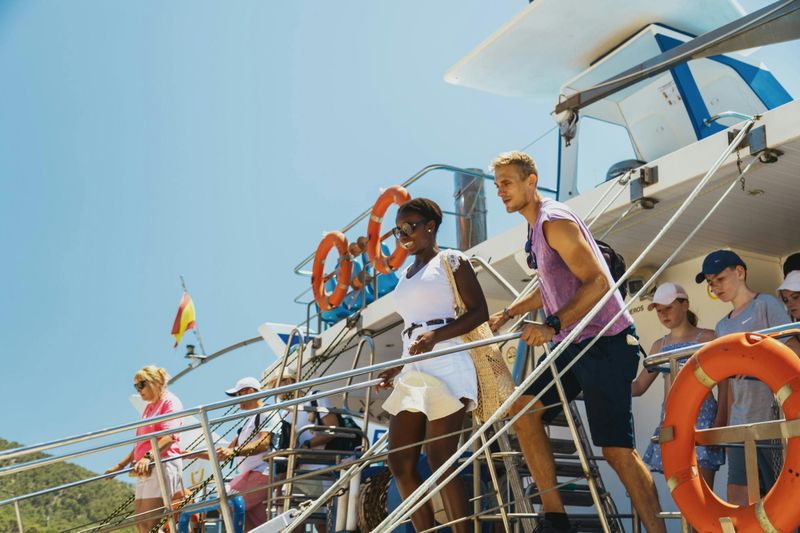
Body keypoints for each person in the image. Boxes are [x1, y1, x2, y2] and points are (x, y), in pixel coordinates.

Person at [487, 151, 665, 533]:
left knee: (616, 452)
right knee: (523, 410)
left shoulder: (554, 221)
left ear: (531, 181)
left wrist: (551, 325)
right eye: (497, 184)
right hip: (572, 344)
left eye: (508, 182)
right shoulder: (535, 229)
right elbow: (549, 285)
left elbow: (598, 282)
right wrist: (508, 313)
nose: (501, 191)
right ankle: (555, 519)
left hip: (606, 341)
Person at [376, 197, 488, 533]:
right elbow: (412, 326)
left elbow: (479, 312)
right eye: (397, 230)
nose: (403, 235)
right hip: (414, 366)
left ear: (430, 226)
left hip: (448, 360)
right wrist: (399, 367)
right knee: (399, 461)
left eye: (409, 227)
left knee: (439, 458)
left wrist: (435, 337)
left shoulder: (451, 261)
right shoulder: (405, 275)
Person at [697, 249, 800, 505]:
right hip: (739, 423)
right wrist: (722, 424)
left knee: (782, 500)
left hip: (772, 421)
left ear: (740, 272)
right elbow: (727, 384)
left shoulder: (766, 305)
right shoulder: (722, 326)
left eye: (720, 279)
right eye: (710, 283)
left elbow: (793, 352)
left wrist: (755, 363)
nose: (715, 287)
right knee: (738, 497)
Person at [630, 283, 724, 486]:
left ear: (685, 305)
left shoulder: (708, 337)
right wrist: (603, 387)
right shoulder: (659, 345)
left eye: (668, 307)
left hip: (702, 417)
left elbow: (725, 383)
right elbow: (639, 386)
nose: (663, 314)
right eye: (659, 310)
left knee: (703, 491)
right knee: (681, 492)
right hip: (671, 420)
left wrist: (721, 419)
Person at [106, 366, 185, 533]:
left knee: (149, 524)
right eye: (136, 386)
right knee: (141, 524)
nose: (138, 389)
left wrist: (148, 457)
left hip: (161, 463)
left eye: (141, 384)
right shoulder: (148, 409)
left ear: (155, 382)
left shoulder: (170, 402)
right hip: (144, 467)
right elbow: (140, 444)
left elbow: (169, 436)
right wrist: (120, 466)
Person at [268, 364, 343, 533]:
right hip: (298, 473)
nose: (275, 391)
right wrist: (279, 487)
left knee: (323, 523)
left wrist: (307, 445)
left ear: (289, 381)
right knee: (293, 524)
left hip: (321, 470)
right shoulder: (286, 413)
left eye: (276, 385)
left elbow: (333, 428)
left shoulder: (315, 397)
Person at [217, 377, 274, 531]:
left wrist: (233, 451)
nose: (237, 399)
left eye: (239, 394)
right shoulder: (248, 420)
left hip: (259, 473)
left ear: (250, 391)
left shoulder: (265, 412)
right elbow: (225, 452)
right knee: (258, 524)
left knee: (225, 503)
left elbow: (264, 443)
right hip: (251, 476)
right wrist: (190, 454)